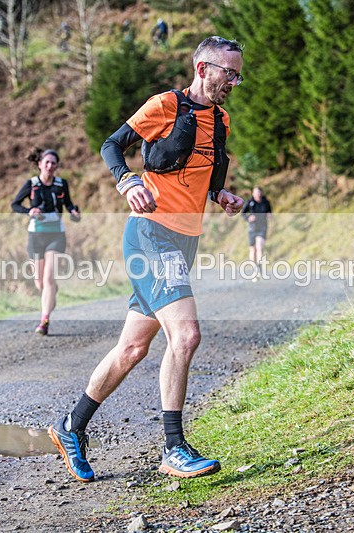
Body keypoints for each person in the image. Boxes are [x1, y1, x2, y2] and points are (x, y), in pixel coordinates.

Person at [48, 36, 245, 482]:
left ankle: (71, 427)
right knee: (187, 335)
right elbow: (111, 145)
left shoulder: (221, 120)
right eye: (227, 72)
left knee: (133, 348)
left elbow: (207, 171)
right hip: (151, 234)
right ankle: (174, 448)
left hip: (184, 240)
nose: (234, 81)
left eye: (237, 74)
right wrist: (127, 182)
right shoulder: (165, 105)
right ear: (202, 68)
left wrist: (220, 194)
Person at [11, 149, 81, 336]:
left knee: (49, 278)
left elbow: (69, 204)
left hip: (56, 235)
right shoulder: (31, 184)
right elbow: (15, 205)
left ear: (57, 166)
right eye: (47, 162)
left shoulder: (61, 184)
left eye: (53, 163)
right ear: (40, 164)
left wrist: (74, 212)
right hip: (36, 236)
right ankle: (50, 294)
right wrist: (29, 211)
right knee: (40, 283)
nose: (50, 166)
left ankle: (44, 321)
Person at [241, 186, 272, 278]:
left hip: (262, 227)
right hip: (252, 228)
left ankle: (259, 267)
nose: (258, 194)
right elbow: (243, 213)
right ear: (253, 194)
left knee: (259, 247)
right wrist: (248, 218)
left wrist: (269, 215)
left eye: (259, 192)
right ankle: (253, 268)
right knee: (252, 249)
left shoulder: (266, 202)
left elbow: (269, 211)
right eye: (256, 193)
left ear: (261, 193)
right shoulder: (250, 203)